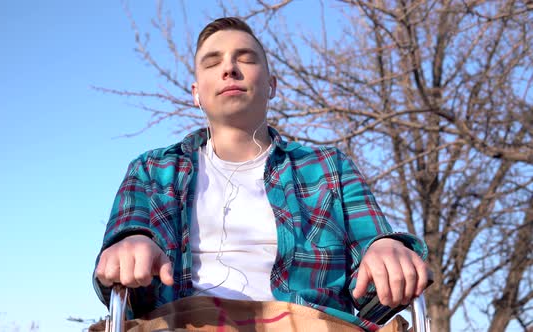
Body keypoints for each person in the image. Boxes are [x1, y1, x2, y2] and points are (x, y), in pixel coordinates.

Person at [93, 17, 428, 331]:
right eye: (212, 62)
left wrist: (386, 247)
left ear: (271, 85)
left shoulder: (330, 167)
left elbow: (373, 285)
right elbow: (122, 282)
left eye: (246, 59)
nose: (229, 69)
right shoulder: (152, 172)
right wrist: (129, 244)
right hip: (184, 321)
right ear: (196, 93)